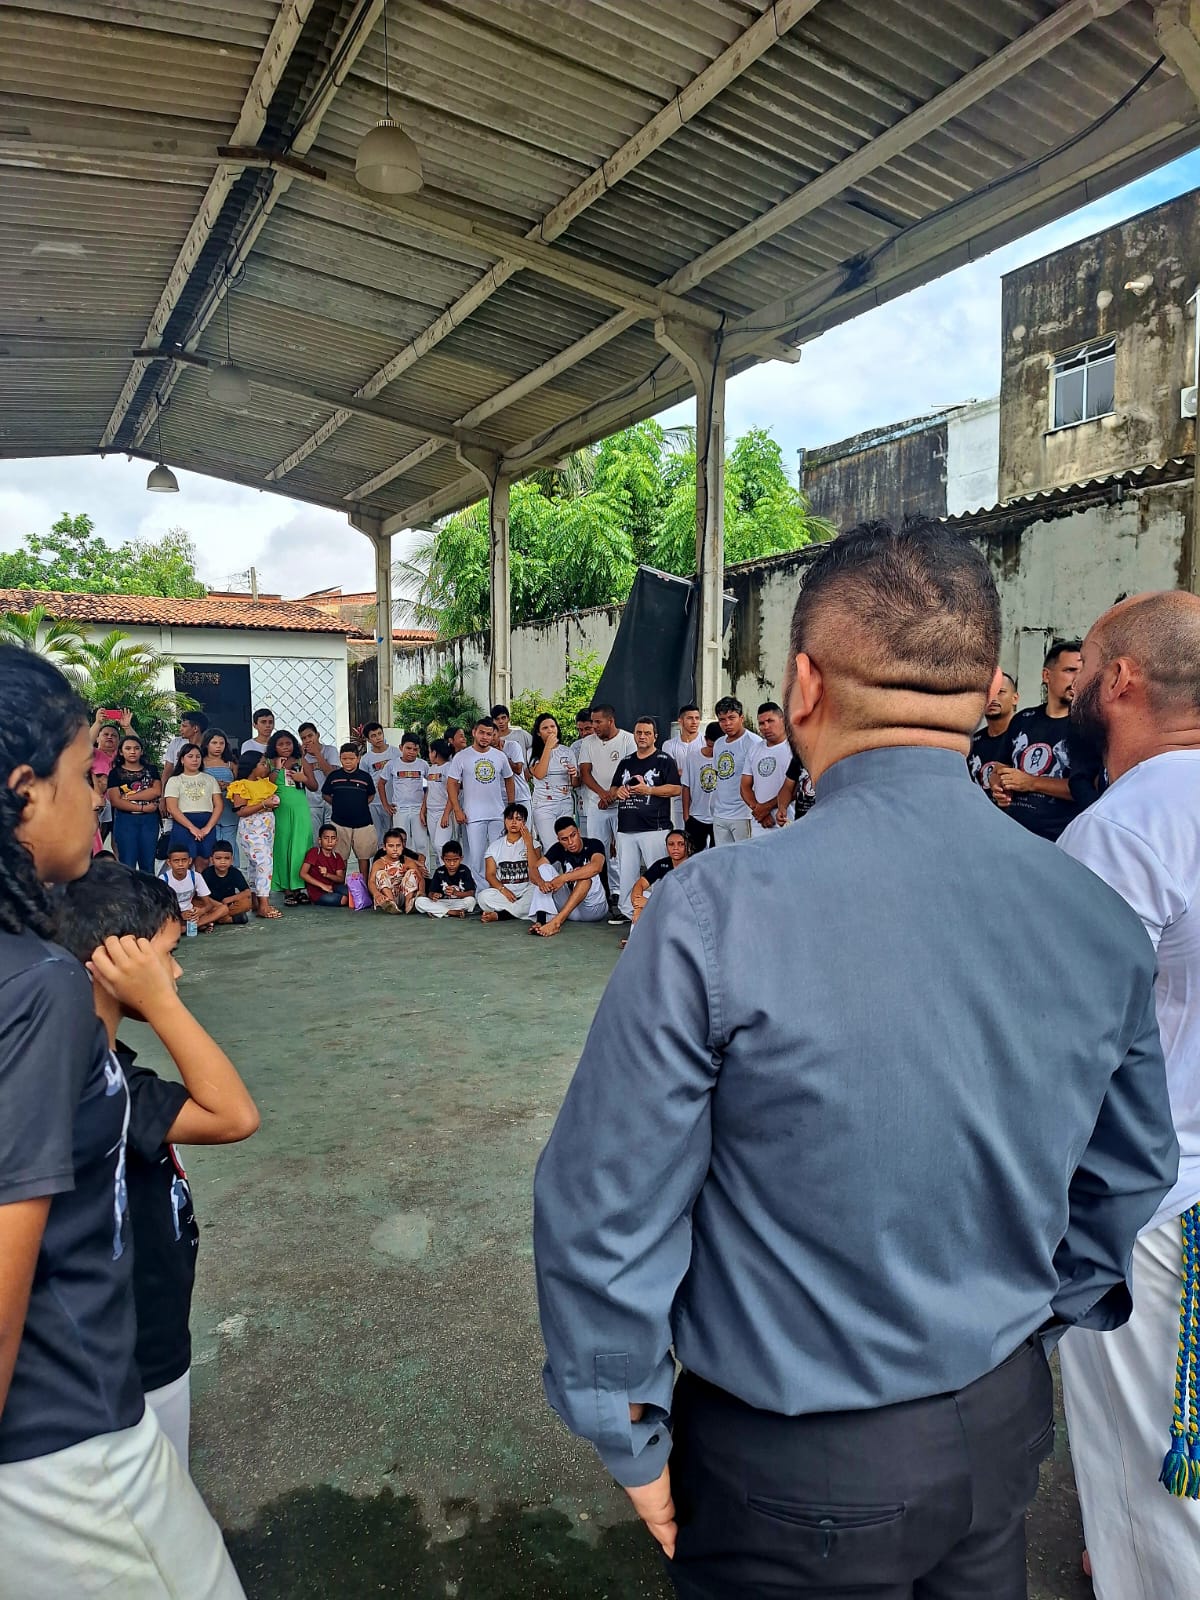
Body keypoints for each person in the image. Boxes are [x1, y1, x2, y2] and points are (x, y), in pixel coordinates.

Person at [533, 517, 1177, 1599]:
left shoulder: (714, 911)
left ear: (803, 686)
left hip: (793, 1460)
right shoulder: (1094, 914)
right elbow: (1130, 1170)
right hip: (998, 1426)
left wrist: (625, 1420)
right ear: (989, 689)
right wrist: (1031, 1319)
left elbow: (608, 1201)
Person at [0, 645, 245, 1597]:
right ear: (23, 792)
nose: (97, 800)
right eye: (82, 775)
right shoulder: (39, 989)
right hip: (65, 1437)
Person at [1053, 591, 1200, 1599]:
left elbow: (1067, 1047)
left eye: (1084, 667)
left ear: (1122, 681)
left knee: (1151, 1476)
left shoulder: (1126, 828)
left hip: (1153, 1208)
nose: (1069, 685)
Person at [52, 860, 259, 1468]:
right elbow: (233, 1116)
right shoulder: (97, 1086)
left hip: (146, 1326)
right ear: (119, 961)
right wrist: (161, 1002)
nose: (177, 971)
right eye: (167, 955)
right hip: (134, 1350)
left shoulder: (99, 1066)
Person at [989, 639, 1101, 838]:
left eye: (1082, 671)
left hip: (1061, 839)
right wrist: (998, 785)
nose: (1077, 678)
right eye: (1070, 670)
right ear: (1046, 675)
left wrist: (1031, 782)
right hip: (1014, 834)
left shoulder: (1089, 726)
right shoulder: (1023, 719)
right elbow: (1000, 766)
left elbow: (1089, 787)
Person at [612, 717, 681, 925]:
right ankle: (633, 916)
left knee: (657, 875)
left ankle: (661, 916)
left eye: (647, 733)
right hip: (626, 828)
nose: (642, 736)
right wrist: (619, 791)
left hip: (654, 828)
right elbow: (613, 789)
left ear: (655, 736)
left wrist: (648, 790)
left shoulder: (664, 759)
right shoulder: (626, 761)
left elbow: (676, 788)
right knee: (627, 877)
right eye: (639, 732)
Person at [578, 704, 636, 906]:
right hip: (597, 805)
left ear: (610, 721)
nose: (594, 726)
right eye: (592, 722)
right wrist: (603, 794)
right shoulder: (588, 742)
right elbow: (585, 773)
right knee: (598, 850)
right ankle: (602, 893)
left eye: (598, 722)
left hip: (623, 805)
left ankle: (623, 893)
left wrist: (612, 796)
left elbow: (632, 771)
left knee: (622, 850)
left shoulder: (628, 740)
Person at [446, 717, 515, 885]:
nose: (485, 737)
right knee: (477, 857)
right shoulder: (462, 757)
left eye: (489, 734)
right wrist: (457, 809)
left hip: (497, 814)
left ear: (493, 736)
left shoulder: (500, 756)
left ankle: (500, 889)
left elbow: (509, 779)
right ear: (474, 732)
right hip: (473, 816)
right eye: (482, 733)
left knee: (499, 854)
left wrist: (511, 807)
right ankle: (481, 891)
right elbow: (452, 783)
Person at [527, 816, 609, 938]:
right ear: (559, 839)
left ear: (578, 831)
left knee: (586, 877)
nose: (570, 842)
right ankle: (541, 921)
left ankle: (556, 922)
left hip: (594, 909)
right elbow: (533, 869)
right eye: (564, 839)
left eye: (573, 835)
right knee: (543, 868)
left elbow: (596, 867)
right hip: (571, 910)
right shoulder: (558, 848)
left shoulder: (594, 844)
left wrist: (563, 878)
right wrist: (541, 883)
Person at [227, 751, 281, 920]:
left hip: (267, 829)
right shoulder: (240, 785)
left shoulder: (263, 783)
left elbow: (271, 783)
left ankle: (255, 901)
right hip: (252, 829)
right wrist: (263, 804)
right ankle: (264, 905)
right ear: (251, 767)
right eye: (262, 764)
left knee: (255, 865)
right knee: (264, 863)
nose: (266, 767)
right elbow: (241, 811)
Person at [266, 730, 316, 907]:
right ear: (274, 747)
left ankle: (299, 888)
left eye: (288, 743)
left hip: (300, 810)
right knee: (283, 846)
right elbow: (267, 784)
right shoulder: (269, 762)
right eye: (281, 744)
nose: (285, 747)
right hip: (280, 811)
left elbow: (314, 786)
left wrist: (303, 778)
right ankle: (287, 889)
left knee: (300, 847)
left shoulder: (301, 761)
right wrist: (277, 767)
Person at [709, 695, 763, 845]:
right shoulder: (719, 743)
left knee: (744, 855)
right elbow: (718, 775)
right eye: (722, 720)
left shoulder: (754, 742)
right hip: (720, 813)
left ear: (741, 718)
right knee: (723, 856)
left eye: (731, 718)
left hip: (743, 814)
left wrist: (756, 809)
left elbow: (759, 780)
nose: (727, 723)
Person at [107, 733, 163, 873]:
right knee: (127, 863)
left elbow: (156, 791)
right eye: (128, 748)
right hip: (125, 820)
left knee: (148, 864)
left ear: (141, 751)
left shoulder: (151, 770)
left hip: (149, 821)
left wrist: (128, 796)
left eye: (136, 748)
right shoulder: (115, 773)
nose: (132, 751)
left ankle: (149, 888)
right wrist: (143, 807)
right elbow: (115, 801)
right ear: (121, 752)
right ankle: (129, 888)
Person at [163, 743, 224, 871]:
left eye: (198, 756)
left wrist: (207, 828)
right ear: (182, 760)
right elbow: (172, 808)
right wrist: (192, 828)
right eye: (190, 756)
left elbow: (218, 805)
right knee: (183, 862)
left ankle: (201, 885)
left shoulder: (210, 779)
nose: (195, 760)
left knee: (204, 861)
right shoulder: (175, 780)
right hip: (183, 824)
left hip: (207, 822)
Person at [322, 744, 377, 881]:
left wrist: (360, 804)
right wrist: (337, 804)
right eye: (344, 758)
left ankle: (364, 885)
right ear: (340, 759)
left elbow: (371, 795)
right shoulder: (334, 776)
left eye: (351, 758)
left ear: (358, 758)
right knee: (341, 856)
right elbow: (325, 794)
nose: (348, 762)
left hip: (363, 823)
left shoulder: (365, 777)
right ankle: (341, 884)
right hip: (339, 823)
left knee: (364, 856)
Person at [477, 804, 535, 923]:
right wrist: (504, 890)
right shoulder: (494, 847)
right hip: (504, 894)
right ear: (504, 821)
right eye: (510, 818)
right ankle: (520, 911)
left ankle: (501, 915)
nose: (513, 822)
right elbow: (490, 875)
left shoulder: (534, 844)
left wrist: (529, 844)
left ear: (524, 822)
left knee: (538, 894)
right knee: (482, 897)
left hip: (527, 891)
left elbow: (536, 868)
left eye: (518, 819)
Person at [740, 702, 790, 834]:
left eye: (770, 721)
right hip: (760, 824)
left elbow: (795, 788)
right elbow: (745, 786)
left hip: (787, 820)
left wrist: (766, 808)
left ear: (783, 720)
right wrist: (759, 811)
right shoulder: (754, 749)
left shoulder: (794, 748)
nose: (766, 727)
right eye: (761, 723)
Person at [380, 734, 430, 865]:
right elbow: (381, 783)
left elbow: (431, 786)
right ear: (401, 747)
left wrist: (424, 808)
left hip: (418, 809)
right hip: (400, 809)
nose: (412, 752)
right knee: (400, 842)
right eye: (408, 748)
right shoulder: (392, 764)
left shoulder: (423, 764)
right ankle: (403, 871)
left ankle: (424, 872)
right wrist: (386, 805)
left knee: (421, 843)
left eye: (415, 749)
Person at [528, 713, 576, 850]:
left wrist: (574, 774)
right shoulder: (532, 752)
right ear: (538, 732)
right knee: (551, 846)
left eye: (552, 726)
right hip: (544, 805)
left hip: (565, 802)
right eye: (545, 728)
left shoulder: (567, 751)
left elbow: (575, 783)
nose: (550, 730)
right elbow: (539, 774)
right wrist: (548, 747)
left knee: (567, 843)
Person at [969, 670, 1019, 794]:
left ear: (1015, 698)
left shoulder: (1025, 737)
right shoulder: (973, 743)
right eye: (988, 693)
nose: (993, 699)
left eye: (1000, 692)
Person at [628, 828, 689, 928]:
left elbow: (685, 903)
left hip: (687, 914)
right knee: (643, 899)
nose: (675, 848)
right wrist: (638, 908)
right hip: (665, 906)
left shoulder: (694, 865)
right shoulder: (662, 864)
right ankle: (636, 936)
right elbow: (640, 884)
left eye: (681, 844)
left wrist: (650, 904)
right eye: (671, 844)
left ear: (688, 846)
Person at [159, 847, 230, 933]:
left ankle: (189, 927)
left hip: (191, 913)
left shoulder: (195, 876)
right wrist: (180, 915)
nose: (180, 864)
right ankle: (198, 925)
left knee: (223, 909)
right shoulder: (163, 879)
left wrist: (200, 911)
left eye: (184, 860)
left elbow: (208, 904)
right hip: (173, 915)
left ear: (190, 861)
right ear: (169, 862)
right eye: (176, 861)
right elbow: (161, 907)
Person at [358, 722, 399, 849]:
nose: (378, 738)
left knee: (394, 836)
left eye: (379, 734)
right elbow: (363, 783)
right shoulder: (366, 759)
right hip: (374, 803)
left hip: (393, 801)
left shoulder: (396, 753)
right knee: (377, 838)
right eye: (374, 735)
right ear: (368, 739)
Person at [681, 721, 719, 854]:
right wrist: (686, 815)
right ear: (706, 740)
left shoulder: (724, 758)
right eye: (711, 745)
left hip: (719, 817)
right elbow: (685, 786)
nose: (714, 750)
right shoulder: (692, 758)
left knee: (717, 855)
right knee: (692, 854)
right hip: (696, 816)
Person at [368, 827, 425, 914]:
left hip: (403, 895)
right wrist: (376, 894)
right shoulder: (379, 863)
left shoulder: (408, 861)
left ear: (402, 847)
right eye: (391, 846)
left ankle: (409, 904)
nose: (395, 849)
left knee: (412, 872)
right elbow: (371, 881)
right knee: (381, 873)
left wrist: (421, 891)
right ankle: (391, 903)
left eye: (398, 846)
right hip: (385, 897)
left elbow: (420, 878)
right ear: (384, 847)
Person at [298, 722, 339, 842]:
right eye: (303, 738)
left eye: (310, 736)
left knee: (330, 839)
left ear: (317, 735)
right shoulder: (301, 756)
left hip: (330, 801)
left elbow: (331, 775)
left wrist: (317, 753)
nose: (307, 740)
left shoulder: (330, 750)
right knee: (315, 839)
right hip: (311, 803)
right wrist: (301, 757)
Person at [200, 729, 239, 853]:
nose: (218, 746)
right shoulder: (200, 763)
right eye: (214, 743)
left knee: (230, 844)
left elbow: (240, 785)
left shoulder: (231, 763)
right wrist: (213, 785)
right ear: (206, 744)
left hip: (228, 807)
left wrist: (228, 786)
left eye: (221, 743)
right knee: (212, 845)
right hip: (208, 808)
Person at [414, 842, 477, 919]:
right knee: (419, 901)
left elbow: (471, 893)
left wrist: (456, 893)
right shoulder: (439, 871)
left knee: (471, 901)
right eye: (448, 860)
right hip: (442, 902)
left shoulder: (465, 870)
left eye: (455, 860)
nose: (452, 864)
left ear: (461, 858)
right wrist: (434, 895)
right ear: (442, 859)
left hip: (458, 902)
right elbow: (430, 893)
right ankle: (453, 912)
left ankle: (438, 912)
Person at [664, 704, 703, 829]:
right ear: (680, 721)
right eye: (690, 718)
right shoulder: (669, 745)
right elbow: (670, 773)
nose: (694, 722)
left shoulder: (705, 742)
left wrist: (682, 772)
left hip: (702, 801)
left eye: (697, 718)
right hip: (678, 800)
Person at [300, 824, 350, 907]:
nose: (330, 841)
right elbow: (303, 874)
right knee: (344, 900)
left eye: (333, 838)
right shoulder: (314, 852)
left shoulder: (337, 856)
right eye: (326, 838)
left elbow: (340, 879)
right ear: (320, 840)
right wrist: (323, 886)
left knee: (352, 892)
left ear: (336, 841)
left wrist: (327, 875)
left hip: (333, 887)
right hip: (317, 891)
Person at [203, 841, 252, 925]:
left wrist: (230, 899)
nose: (223, 862)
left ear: (232, 860)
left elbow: (247, 892)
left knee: (246, 903)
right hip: (212, 905)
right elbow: (202, 895)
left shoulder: (235, 872)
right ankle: (227, 919)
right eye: (218, 858)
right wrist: (218, 905)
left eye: (226, 858)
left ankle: (217, 918)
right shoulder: (207, 873)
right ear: (212, 860)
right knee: (196, 903)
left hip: (229, 905)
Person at [426, 738, 457, 862]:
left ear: (435, 753)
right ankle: (440, 870)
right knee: (434, 846)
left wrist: (446, 814)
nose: (429, 755)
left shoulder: (449, 768)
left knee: (441, 844)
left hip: (443, 811)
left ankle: (449, 868)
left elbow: (453, 793)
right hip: (431, 811)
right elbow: (429, 791)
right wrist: (423, 810)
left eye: (430, 751)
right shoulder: (431, 768)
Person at [162, 711, 209, 786]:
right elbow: (167, 771)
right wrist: (163, 791)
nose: (180, 729)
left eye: (184, 726)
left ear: (195, 728)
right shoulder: (176, 743)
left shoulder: (208, 746)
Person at [775, 753, 816, 823]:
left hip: (826, 821)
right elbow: (787, 787)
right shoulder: (800, 757)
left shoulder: (833, 758)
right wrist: (782, 807)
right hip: (801, 821)